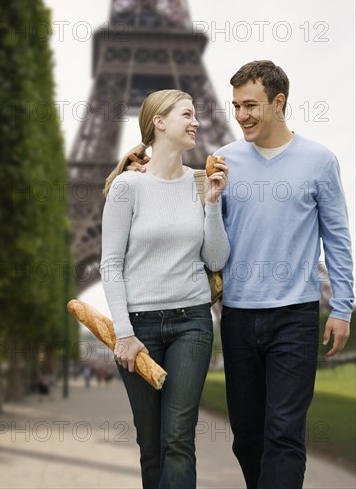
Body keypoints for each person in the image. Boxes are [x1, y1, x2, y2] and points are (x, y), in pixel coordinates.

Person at [128, 61, 354, 489]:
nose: (241, 115)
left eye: (250, 105)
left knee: (284, 435)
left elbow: (338, 238)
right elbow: (194, 208)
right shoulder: (224, 161)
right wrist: (146, 175)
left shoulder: (320, 161)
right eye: (235, 106)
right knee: (248, 439)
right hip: (237, 318)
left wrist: (342, 306)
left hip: (296, 315)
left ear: (279, 102)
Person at [99, 89, 230, 489]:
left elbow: (217, 259)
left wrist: (211, 202)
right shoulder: (127, 186)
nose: (196, 122)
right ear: (159, 122)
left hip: (192, 322)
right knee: (151, 444)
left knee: (177, 439)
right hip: (138, 329)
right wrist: (124, 333)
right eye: (187, 114)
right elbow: (111, 264)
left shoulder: (199, 181)